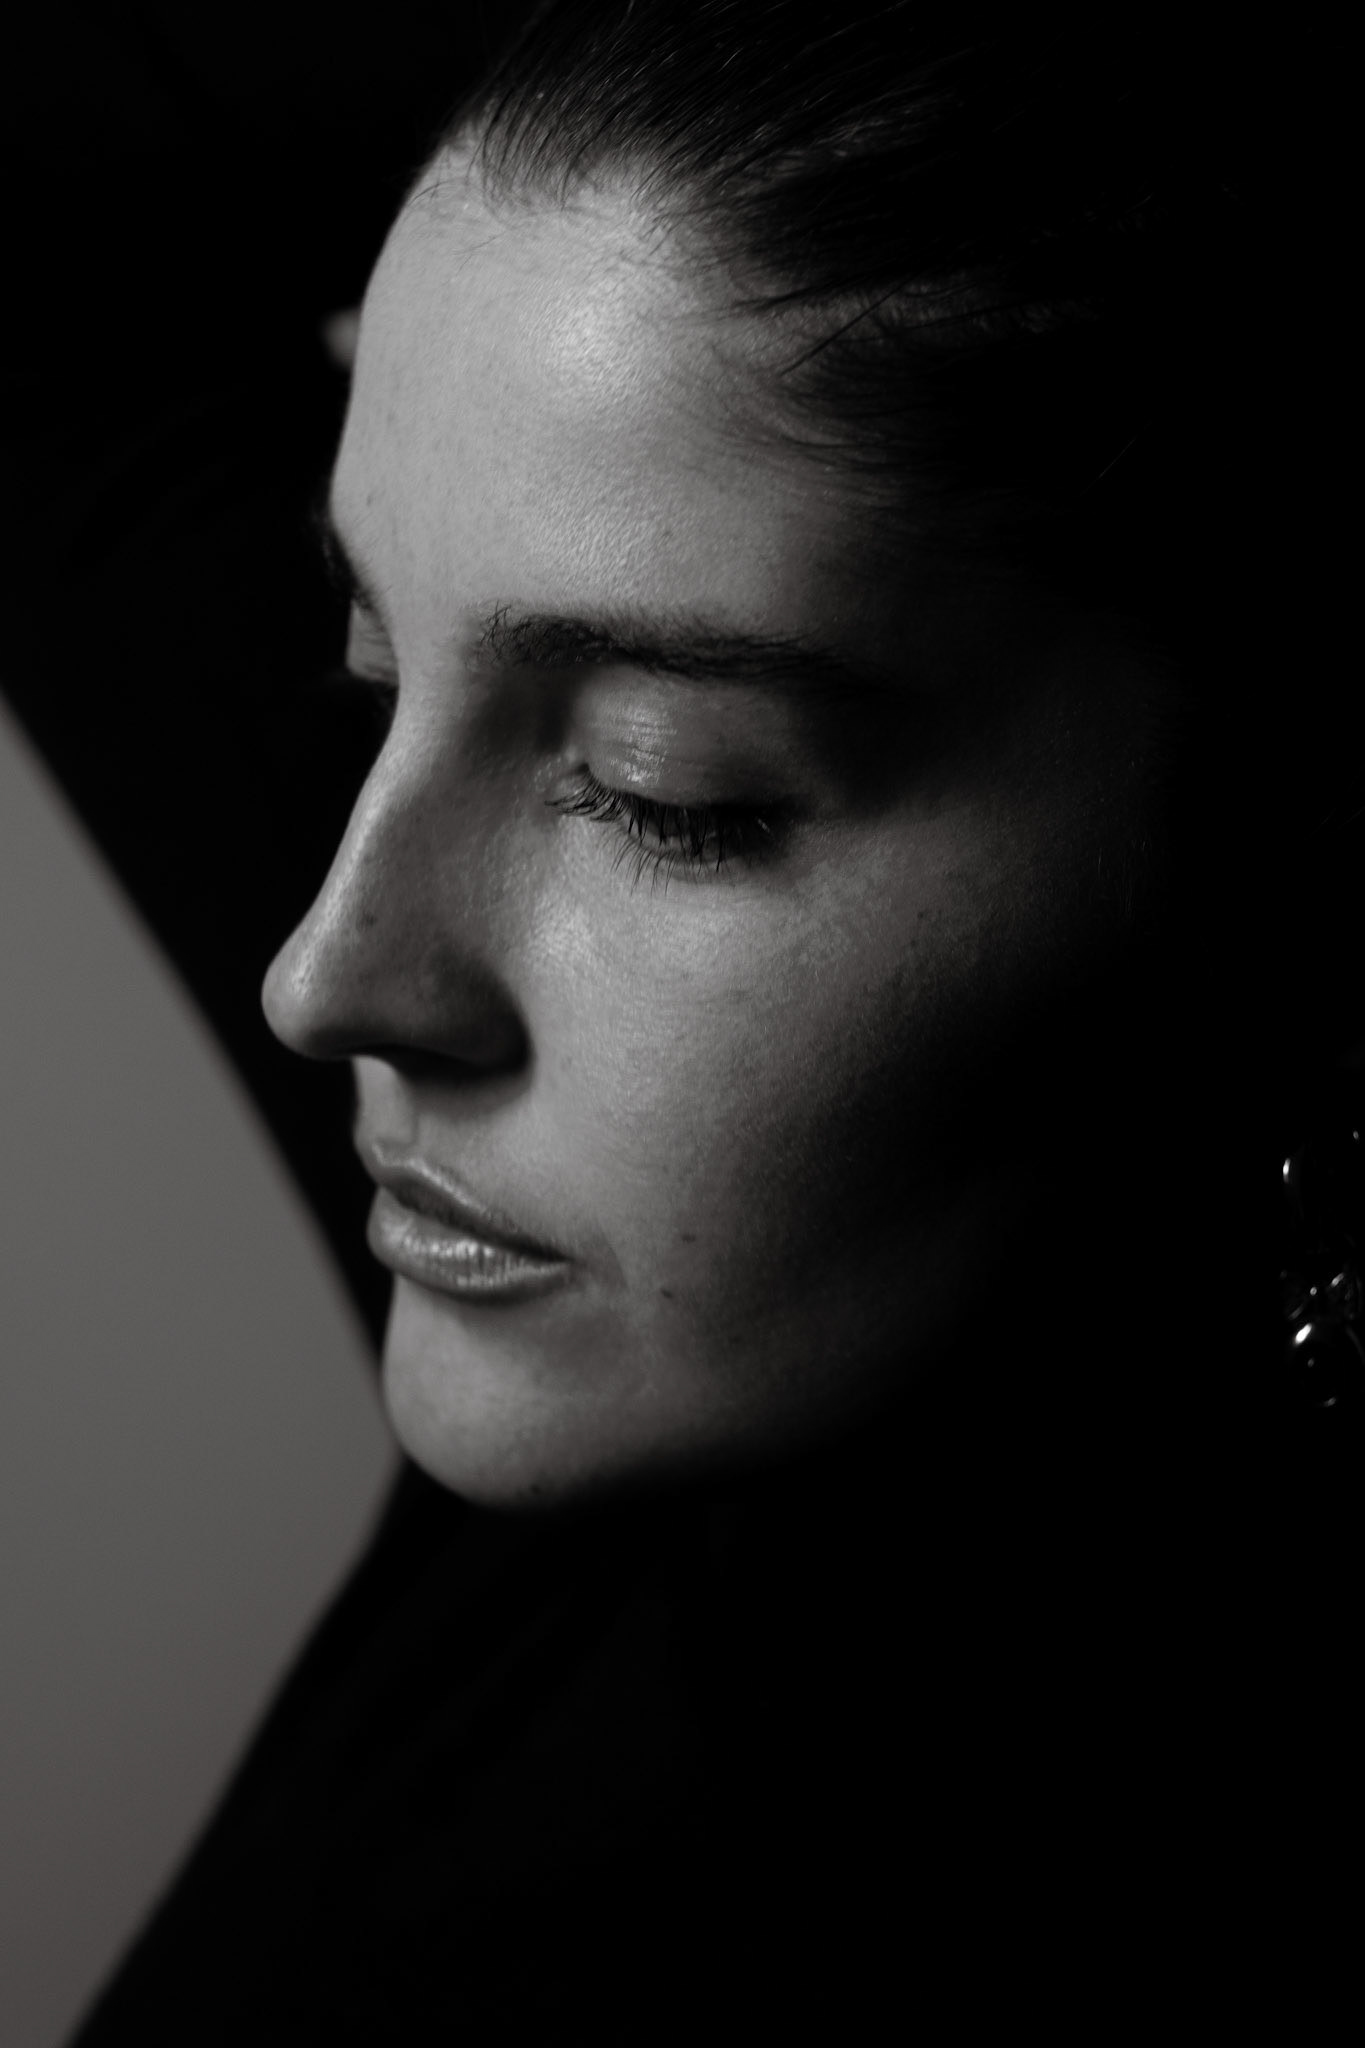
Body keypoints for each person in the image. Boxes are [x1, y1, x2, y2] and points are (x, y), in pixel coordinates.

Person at [5, 5, 1359, 2038]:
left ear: (1282, 843)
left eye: (664, 795)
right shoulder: (653, 1346)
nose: (329, 978)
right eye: (367, 674)